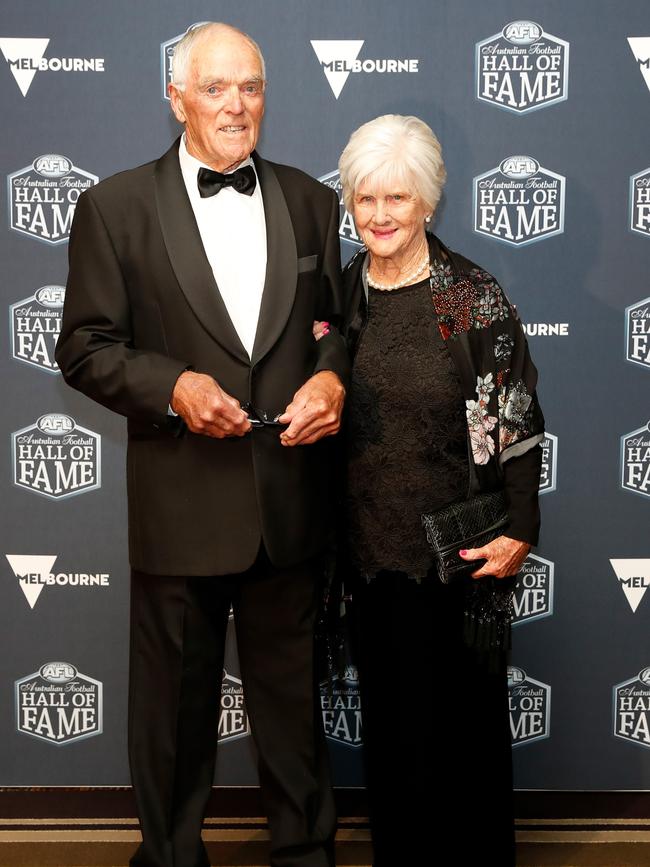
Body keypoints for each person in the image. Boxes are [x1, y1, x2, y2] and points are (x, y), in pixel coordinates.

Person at [55, 22, 348, 867]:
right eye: (215, 88)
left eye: (250, 87)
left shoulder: (309, 201)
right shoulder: (113, 205)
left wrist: (331, 379)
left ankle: (305, 854)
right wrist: (173, 388)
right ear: (175, 96)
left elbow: (331, 326)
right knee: (173, 720)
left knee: (293, 714)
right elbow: (84, 347)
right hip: (181, 505)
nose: (236, 105)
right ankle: (173, 856)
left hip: (289, 503)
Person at [320, 115, 544, 865]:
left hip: (460, 556)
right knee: (392, 739)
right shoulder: (345, 297)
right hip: (368, 558)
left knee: (463, 737)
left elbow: (516, 418)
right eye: (365, 200)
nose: (380, 216)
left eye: (397, 199)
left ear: (427, 204)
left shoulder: (467, 298)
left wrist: (520, 528)